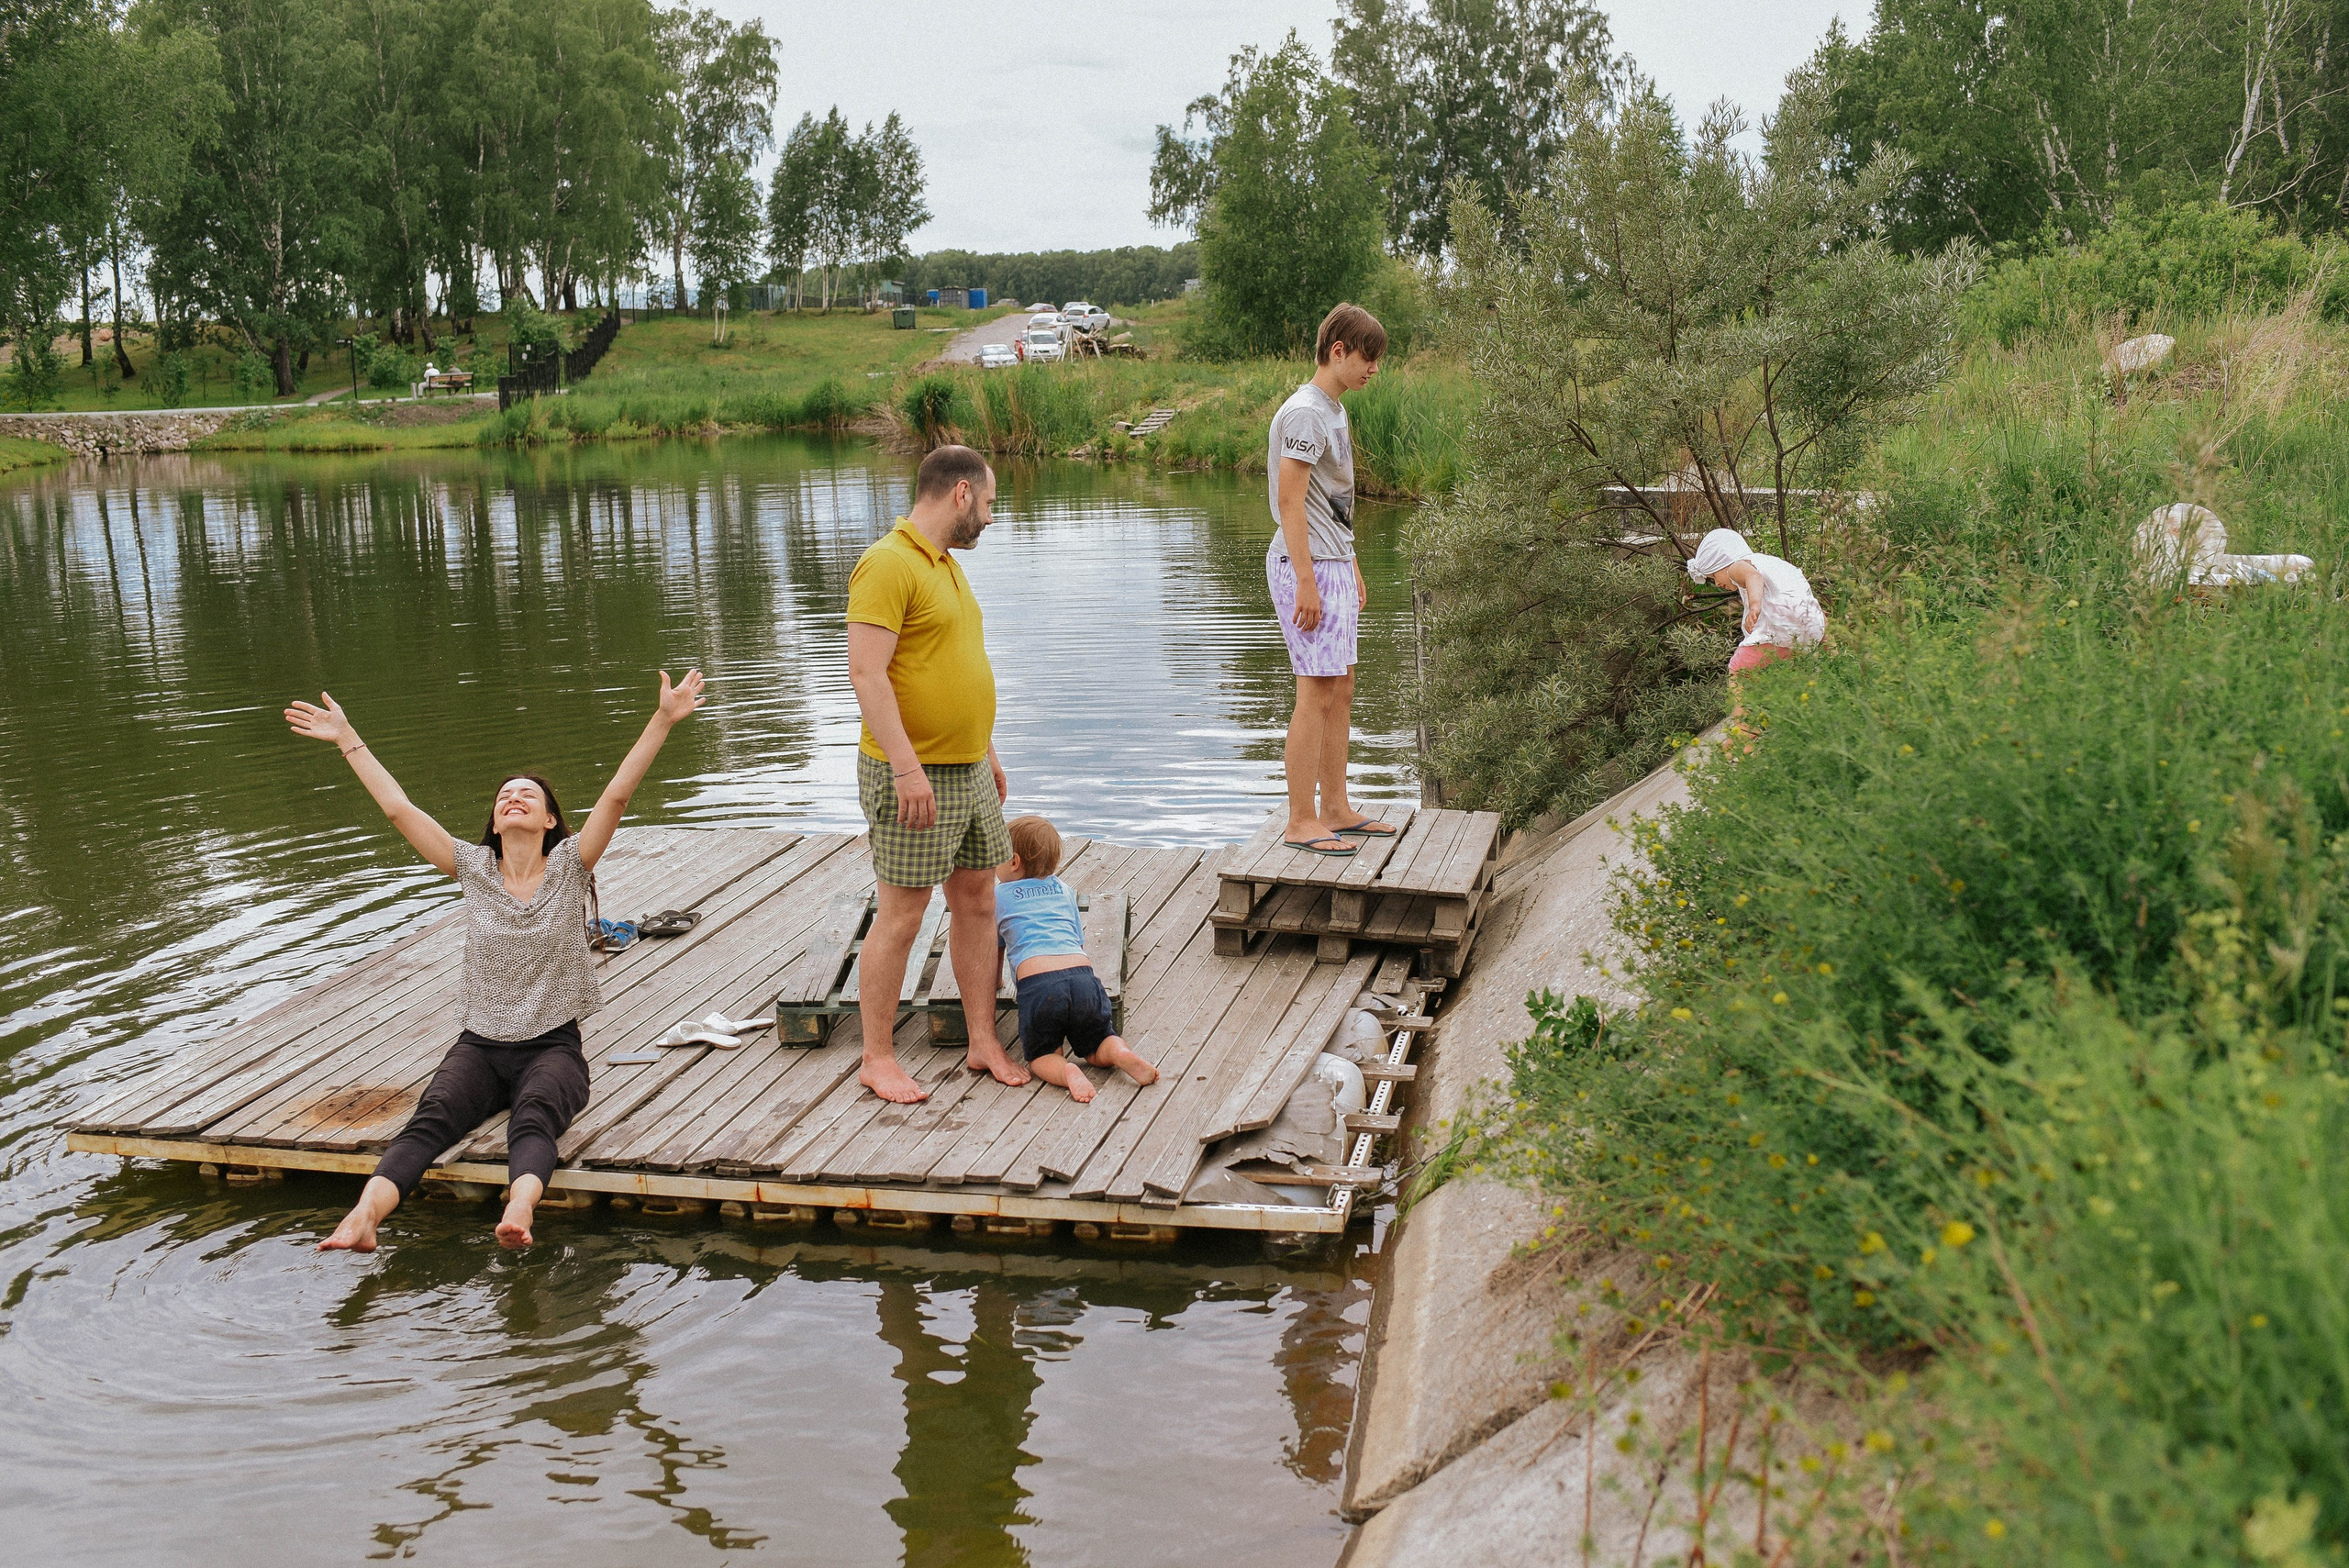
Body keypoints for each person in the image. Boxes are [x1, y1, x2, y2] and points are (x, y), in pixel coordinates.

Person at [293, 669, 707, 1252]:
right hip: (479, 1045)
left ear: (549, 822)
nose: (513, 799)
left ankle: (519, 1210)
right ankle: (364, 1217)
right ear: (494, 821)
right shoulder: (473, 871)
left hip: (551, 1044)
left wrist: (662, 719)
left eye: (527, 796)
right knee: (430, 1121)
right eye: (504, 796)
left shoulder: (570, 867)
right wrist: (347, 738)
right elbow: (397, 808)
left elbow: (616, 794)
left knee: (535, 1119)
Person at [845, 444, 1025, 1104]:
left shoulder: (945, 565)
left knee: (978, 898)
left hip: (970, 767)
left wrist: (988, 748)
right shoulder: (888, 564)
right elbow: (867, 674)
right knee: (902, 913)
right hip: (914, 775)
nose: (991, 515)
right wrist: (906, 768)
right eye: (989, 501)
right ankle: (877, 1056)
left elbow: (955, 664)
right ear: (959, 493)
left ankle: (982, 1039)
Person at [1269, 302, 1395, 857]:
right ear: (1337, 351)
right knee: (1314, 692)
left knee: (1340, 688)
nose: (1375, 370)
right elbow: (1290, 500)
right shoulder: (1304, 413)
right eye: (1369, 358)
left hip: (1333, 562)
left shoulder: (1335, 411)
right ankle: (1300, 819)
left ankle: (1336, 808)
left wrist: (1352, 565)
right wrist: (1306, 581)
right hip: (1307, 566)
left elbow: (1334, 503)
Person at [994, 815, 1158, 1103]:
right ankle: (1119, 1053)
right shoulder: (1063, 890)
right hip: (1083, 978)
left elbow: (995, 948)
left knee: (1043, 1054)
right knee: (1097, 1044)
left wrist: (997, 982)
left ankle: (1067, 1071)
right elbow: (1076, 938)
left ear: (1014, 862)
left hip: (1040, 985)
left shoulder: (998, 896)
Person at [1685, 528, 1827, 674]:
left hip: (1779, 630)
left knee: (1738, 670)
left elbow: (1753, 577)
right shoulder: (1773, 563)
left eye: (1714, 576)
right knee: (1783, 673)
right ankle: (1836, 659)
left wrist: (1754, 606)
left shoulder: (1735, 566)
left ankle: (1738, 698)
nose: (1717, 584)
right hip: (1813, 628)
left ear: (1724, 561)